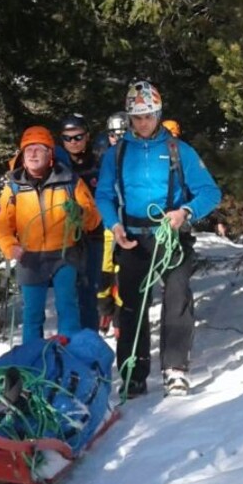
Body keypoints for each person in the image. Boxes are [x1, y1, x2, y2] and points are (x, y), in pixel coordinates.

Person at [95, 81, 221, 398]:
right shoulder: (118, 153)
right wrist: (114, 225)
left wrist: (185, 213)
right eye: (136, 117)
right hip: (133, 238)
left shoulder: (179, 149)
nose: (143, 123)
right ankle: (133, 374)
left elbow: (210, 192)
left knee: (177, 299)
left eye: (148, 116)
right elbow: (104, 194)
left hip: (172, 236)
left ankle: (175, 369)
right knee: (131, 305)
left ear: (158, 114)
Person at [0, 126, 101, 344]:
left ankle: (70, 362)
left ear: (50, 154)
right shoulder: (14, 187)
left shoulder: (70, 181)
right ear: (22, 155)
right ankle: (33, 365)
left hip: (65, 255)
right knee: (32, 315)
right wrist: (9, 246)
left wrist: (80, 214)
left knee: (67, 309)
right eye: (28, 149)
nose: (32, 154)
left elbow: (94, 218)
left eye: (38, 149)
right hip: (29, 257)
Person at [56, 113, 104, 331]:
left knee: (89, 293)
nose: (73, 142)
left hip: (94, 234)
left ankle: (89, 345)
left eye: (78, 137)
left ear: (87, 136)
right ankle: (68, 347)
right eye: (68, 138)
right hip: (66, 237)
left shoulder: (99, 161)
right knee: (67, 296)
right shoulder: (57, 164)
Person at [95, 111, 129, 334]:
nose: (117, 138)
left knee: (123, 272)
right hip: (107, 222)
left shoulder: (138, 155)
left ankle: (119, 319)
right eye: (113, 134)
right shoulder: (101, 155)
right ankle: (104, 311)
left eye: (122, 133)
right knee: (104, 272)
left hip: (129, 222)